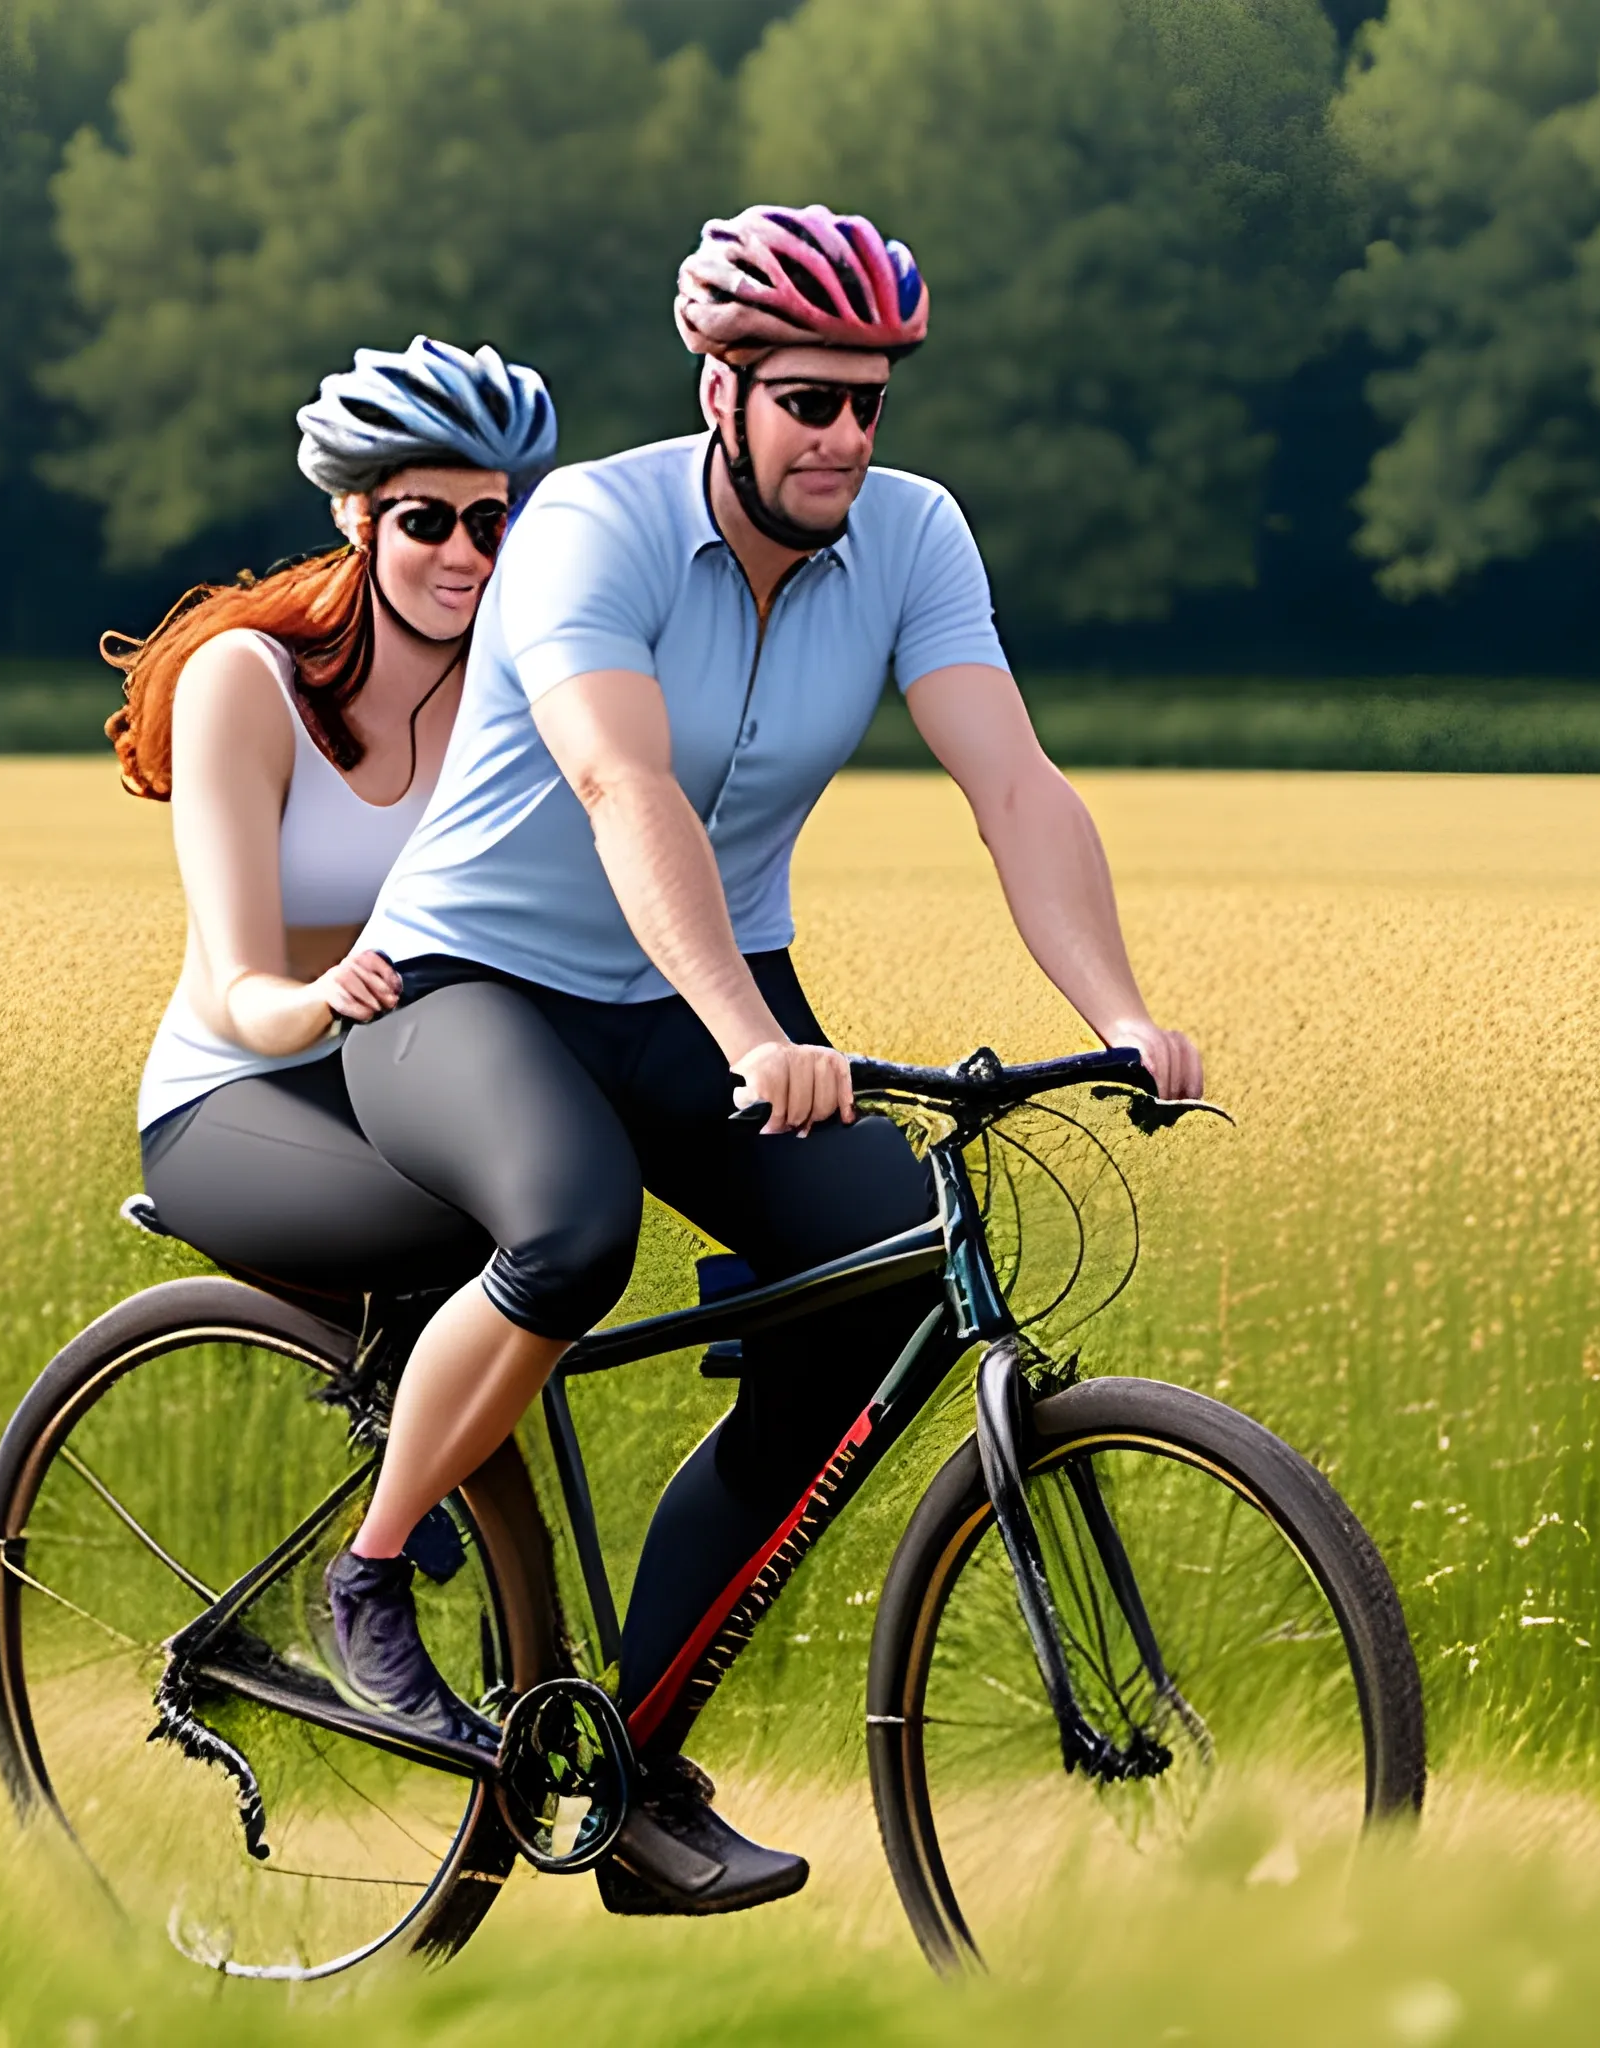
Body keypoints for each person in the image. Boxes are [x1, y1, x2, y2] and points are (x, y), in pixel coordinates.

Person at [331, 207, 1204, 1914]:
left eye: (872, 403)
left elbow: (1011, 781)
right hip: (471, 980)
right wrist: (752, 1033)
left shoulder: (910, 536)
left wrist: (1115, 1005)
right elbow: (619, 784)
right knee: (571, 1235)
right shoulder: (591, 525)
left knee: (872, 1286)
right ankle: (367, 1578)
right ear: (717, 388)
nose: (849, 439)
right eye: (811, 400)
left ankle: (628, 1764)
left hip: (707, 985)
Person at [109, 337, 554, 1505]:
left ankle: (469, 1591)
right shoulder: (246, 684)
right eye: (428, 522)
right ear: (358, 515)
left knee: (562, 1203)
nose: (465, 556)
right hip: (236, 1092)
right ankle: (385, 1548)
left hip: (396, 1075)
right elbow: (235, 982)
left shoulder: (508, 695)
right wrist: (319, 996)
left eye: (493, 525)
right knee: (492, 1229)